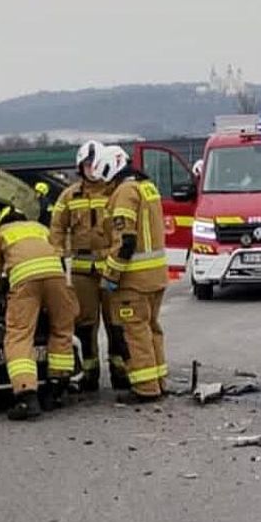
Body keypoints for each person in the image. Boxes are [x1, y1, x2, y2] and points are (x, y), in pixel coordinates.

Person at [0, 205, 78, 420]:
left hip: (25, 283)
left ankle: (27, 396)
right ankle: (56, 389)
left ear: (0, 222)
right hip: (57, 278)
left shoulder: (1, 232)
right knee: (61, 329)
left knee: (19, 335)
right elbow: (60, 259)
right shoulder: (41, 229)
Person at [91, 145, 169, 403]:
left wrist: (110, 276)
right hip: (156, 276)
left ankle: (145, 388)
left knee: (135, 332)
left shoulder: (125, 192)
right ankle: (159, 381)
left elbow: (125, 241)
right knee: (151, 329)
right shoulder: (147, 187)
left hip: (134, 280)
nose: (107, 186)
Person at [48, 140, 127, 392]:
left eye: (95, 163)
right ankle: (89, 372)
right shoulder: (70, 195)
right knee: (84, 323)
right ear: (80, 167)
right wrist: (57, 256)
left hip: (112, 269)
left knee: (117, 321)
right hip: (83, 271)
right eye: (87, 164)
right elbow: (57, 228)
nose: (92, 169)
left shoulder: (116, 192)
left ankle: (121, 371)